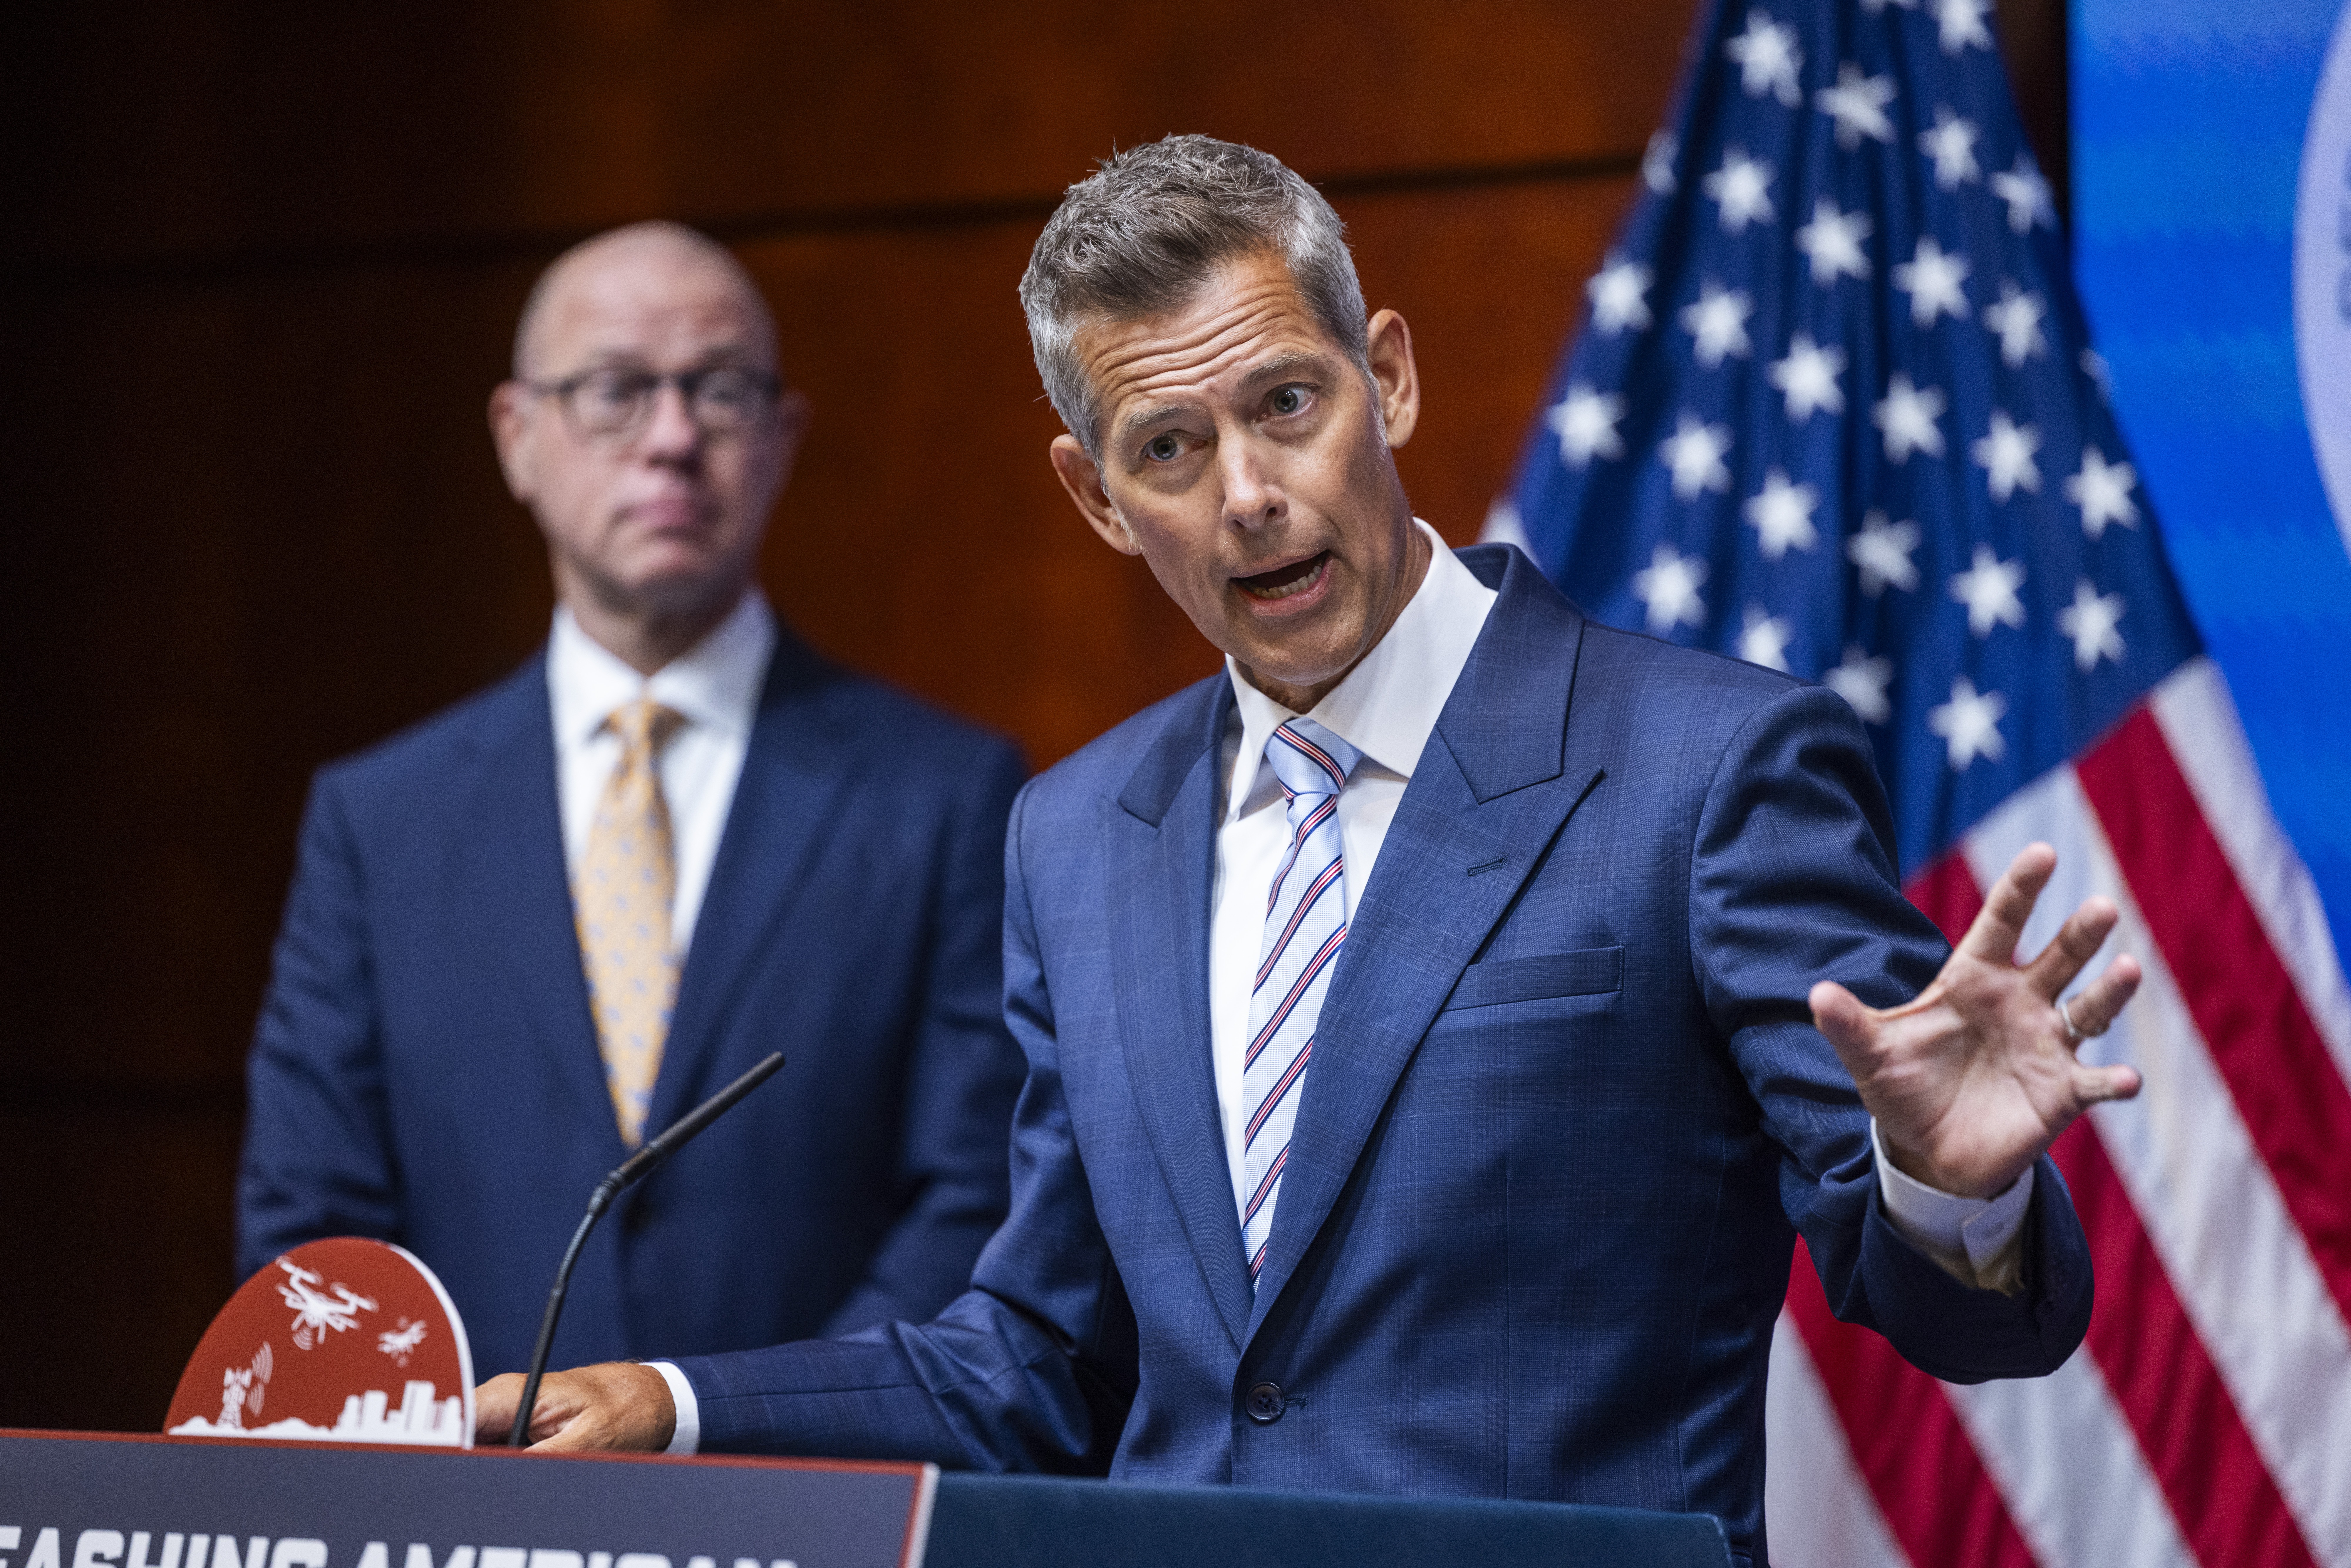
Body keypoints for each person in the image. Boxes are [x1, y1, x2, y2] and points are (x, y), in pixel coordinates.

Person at [479, 145, 2142, 1567]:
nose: (1253, 494)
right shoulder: (1076, 836)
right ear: (1096, 495)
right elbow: (1040, 1357)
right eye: (1171, 449)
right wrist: (670, 1405)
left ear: (1388, 380)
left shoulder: (1708, 766)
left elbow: (1978, 1319)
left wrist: (1947, 1180)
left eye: (1287, 403)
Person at [237, 222, 1029, 1379]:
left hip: (814, 1520)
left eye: (719, 390)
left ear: (783, 437)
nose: (671, 439)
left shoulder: (953, 799)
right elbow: (314, 1231)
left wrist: (758, 1438)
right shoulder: (377, 823)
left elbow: (978, 1198)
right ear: (518, 437)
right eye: (614, 390)